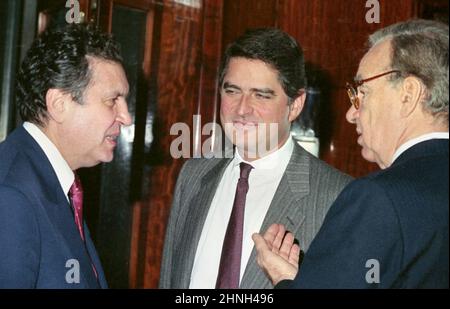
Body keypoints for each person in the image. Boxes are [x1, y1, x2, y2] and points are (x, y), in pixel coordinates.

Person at [253, 19, 449, 288]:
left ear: (408, 94)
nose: (350, 113)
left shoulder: (378, 198)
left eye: (361, 92)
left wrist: (285, 282)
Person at [159, 28, 352, 289]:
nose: (242, 109)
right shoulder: (193, 175)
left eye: (260, 95)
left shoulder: (337, 197)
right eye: (232, 91)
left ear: (295, 105)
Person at [0, 24, 131, 288]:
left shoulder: (51, 181)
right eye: (112, 100)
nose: (126, 118)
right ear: (59, 104)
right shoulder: (11, 195)